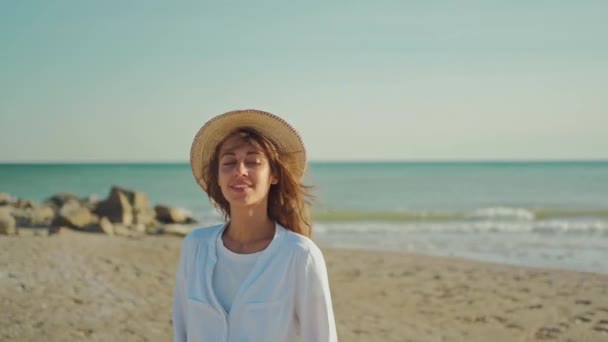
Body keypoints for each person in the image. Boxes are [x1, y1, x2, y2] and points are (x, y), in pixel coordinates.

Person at [173, 109, 338, 341]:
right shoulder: (195, 247)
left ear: (274, 175)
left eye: (253, 162)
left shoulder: (300, 255)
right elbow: (181, 332)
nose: (240, 171)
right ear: (218, 178)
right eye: (229, 162)